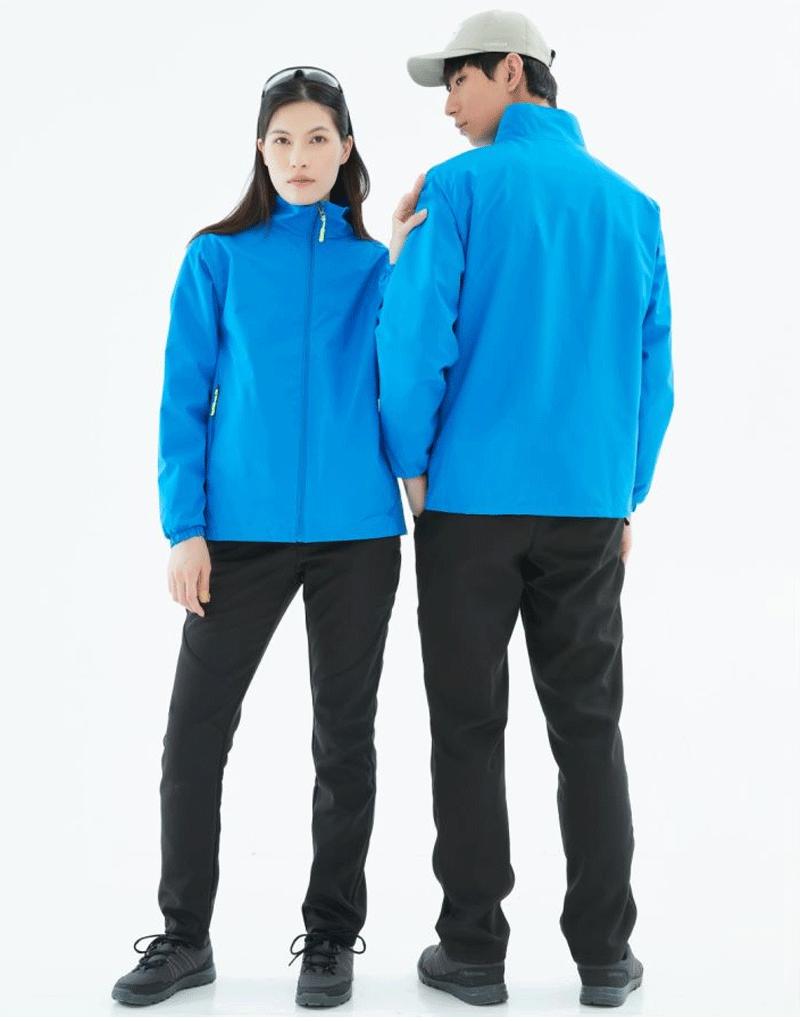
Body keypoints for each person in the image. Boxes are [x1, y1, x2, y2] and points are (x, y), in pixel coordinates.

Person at [376, 10, 674, 1010]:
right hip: (586, 508)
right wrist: (623, 493)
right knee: (588, 726)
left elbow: (414, 340)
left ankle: (471, 953)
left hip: (467, 504)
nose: (447, 105)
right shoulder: (631, 206)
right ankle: (604, 956)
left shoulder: (455, 188)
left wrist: (411, 465)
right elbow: (654, 375)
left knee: (467, 724)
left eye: (456, 81)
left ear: (512, 71)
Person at [111, 66, 426, 1010]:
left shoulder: (374, 268)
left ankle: (330, 937)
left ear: (346, 148)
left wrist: (403, 262)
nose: (299, 156)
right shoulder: (216, 258)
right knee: (193, 733)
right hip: (237, 536)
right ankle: (184, 937)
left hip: (356, 535)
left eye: (318, 138)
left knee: (345, 737)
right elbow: (181, 399)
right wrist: (185, 528)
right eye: (282, 139)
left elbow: (406, 373)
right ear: (260, 149)